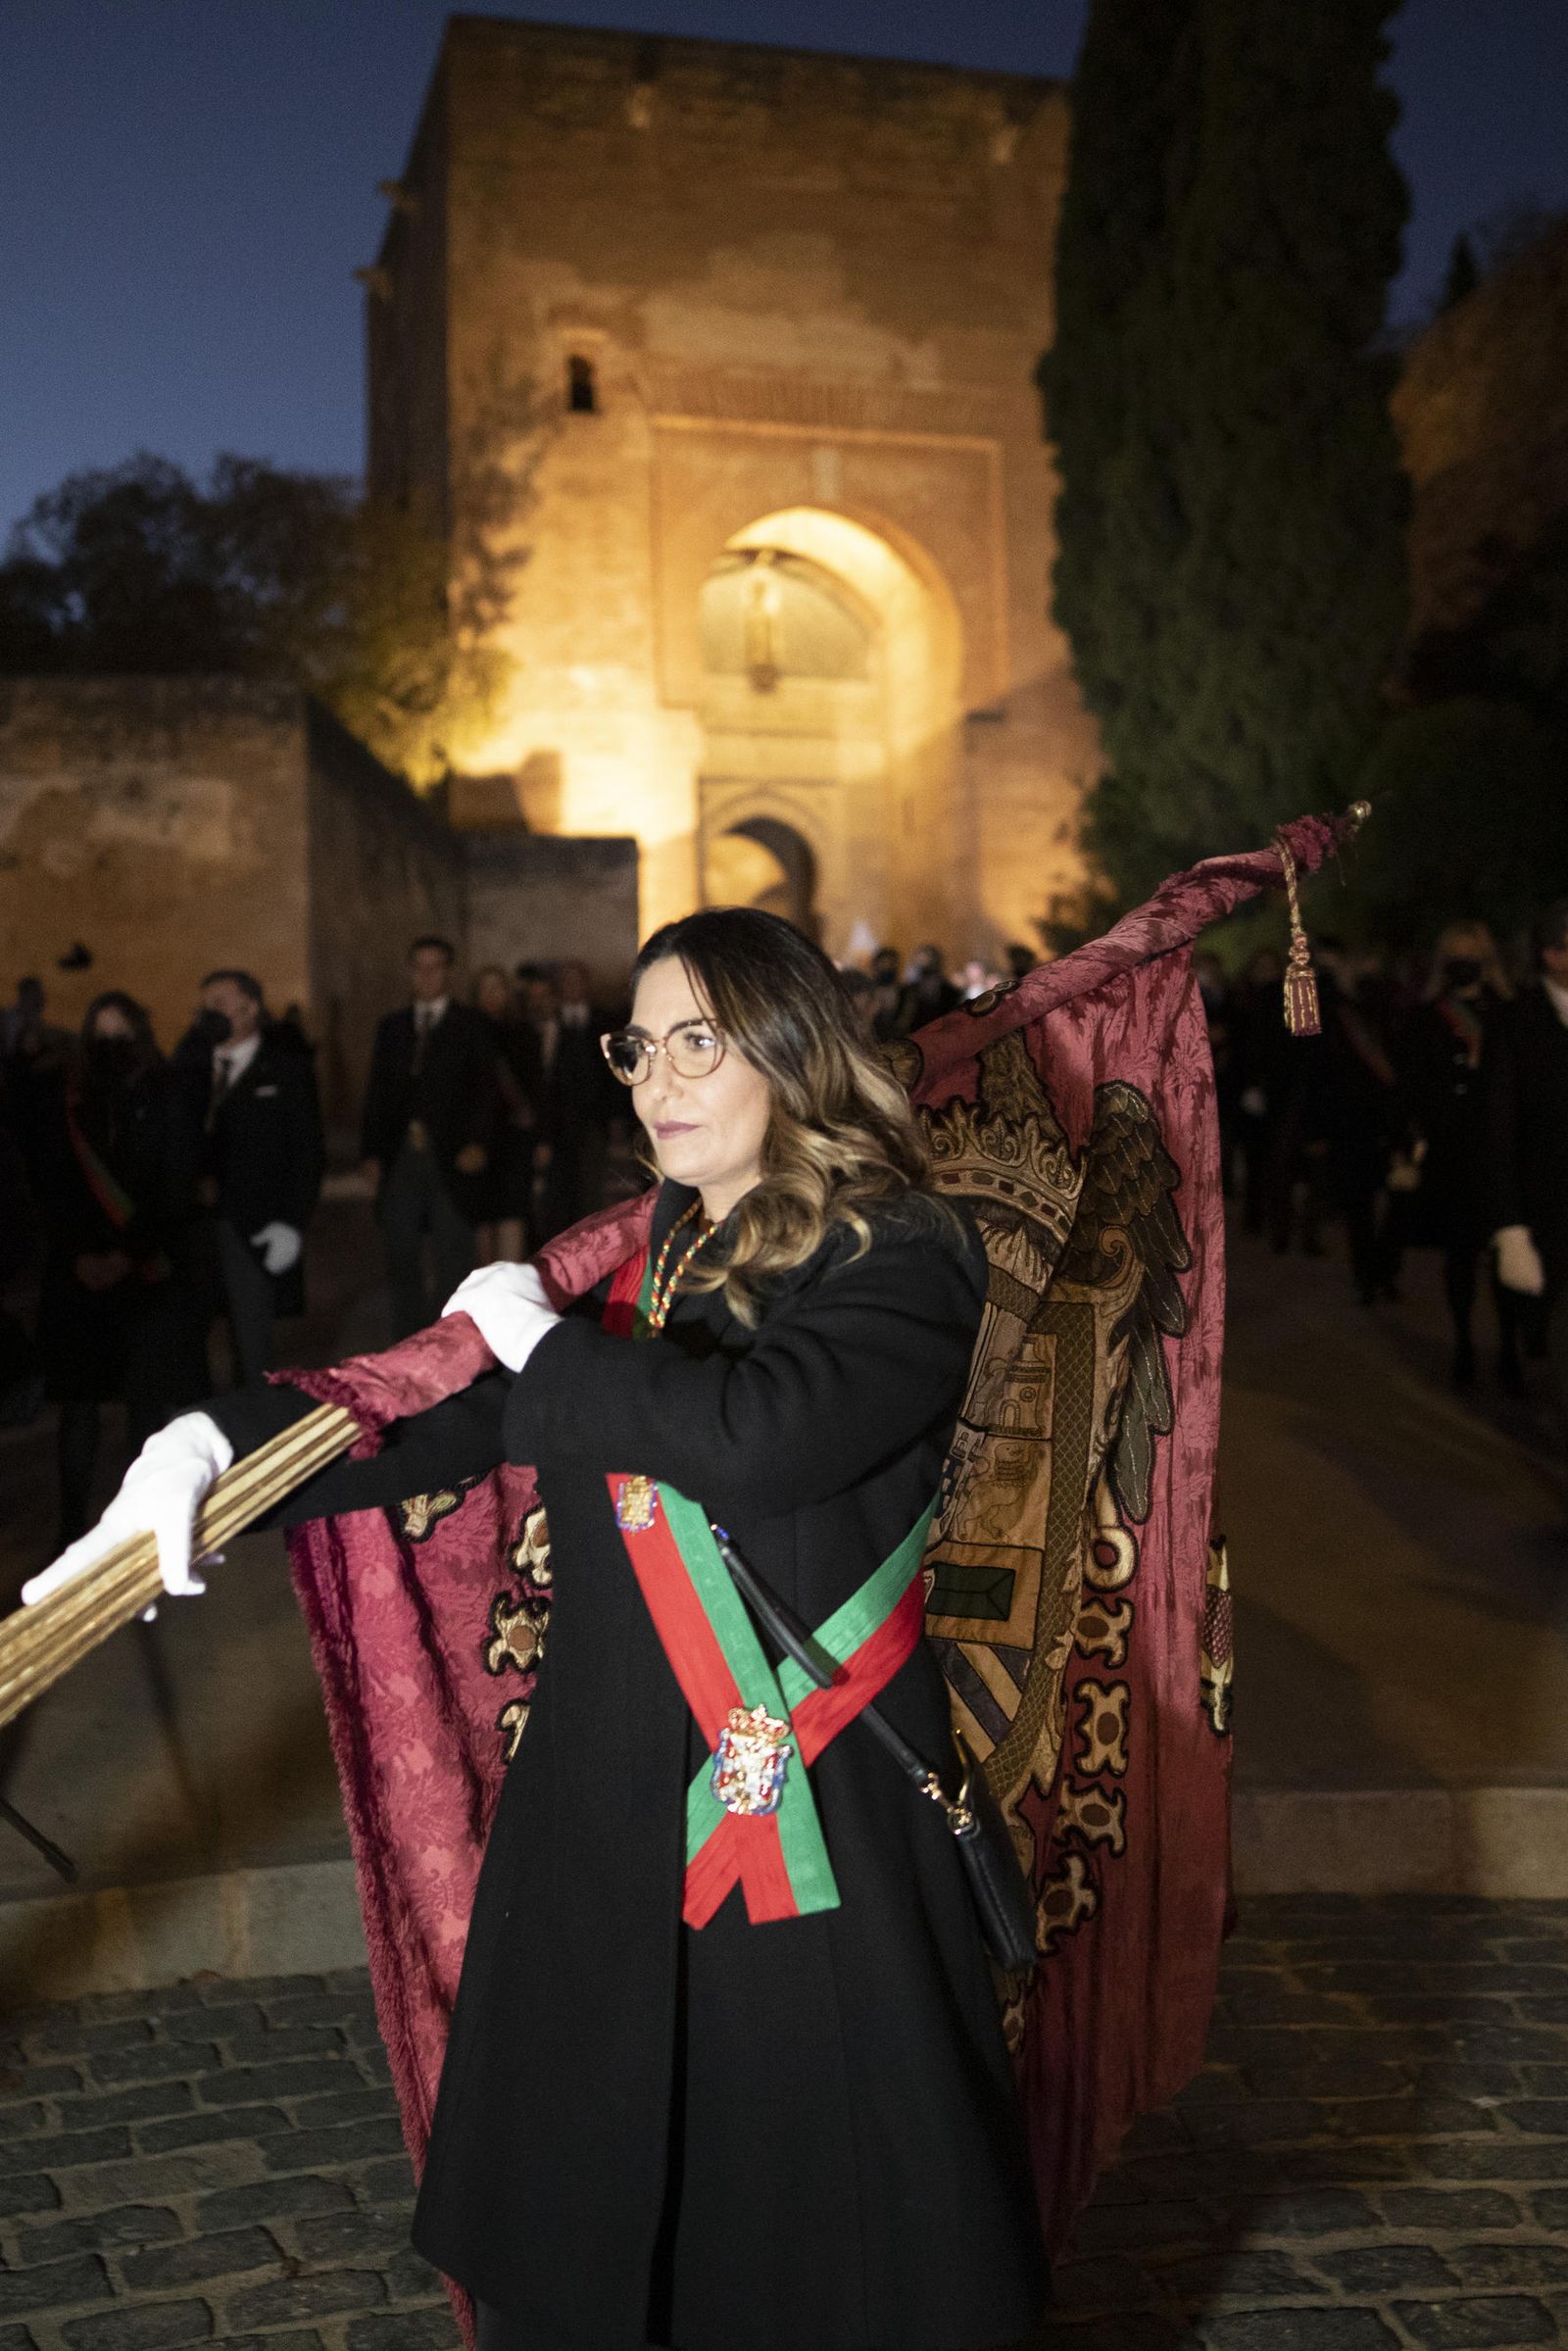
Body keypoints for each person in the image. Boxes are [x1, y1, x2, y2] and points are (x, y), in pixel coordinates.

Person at [40, 909, 1046, 2351]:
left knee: (819, 2259)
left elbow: (757, 1436)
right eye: (643, 1045)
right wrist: (208, 1450)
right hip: (601, 1820)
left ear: (793, 1045)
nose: (659, 1079)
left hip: (807, 1830)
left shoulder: (910, 1250)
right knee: (587, 2253)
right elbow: (446, 1412)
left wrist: (546, 1342)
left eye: (701, 1039)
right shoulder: (656, 1252)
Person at [33, 992, 204, 1544]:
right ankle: (70, 1523)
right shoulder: (65, 1099)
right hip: (80, 1274)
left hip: (143, 1270)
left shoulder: (164, 1091)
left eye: (120, 1035)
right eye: (100, 1036)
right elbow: (51, 1185)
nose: (110, 1048)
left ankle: (146, 1523)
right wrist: (80, 1255)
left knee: (144, 1405)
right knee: (79, 1406)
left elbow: (173, 1182)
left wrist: (128, 1254)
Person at [173, 970, 324, 1385]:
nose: (212, 1012)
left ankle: (254, 1428)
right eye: (206, 1004)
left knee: (251, 1340)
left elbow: (307, 1153)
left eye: (221, 1002)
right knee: (189, 1342)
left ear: (251, 1006)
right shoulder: (190, 1068)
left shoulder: (285, 1070)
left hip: (254, 1226)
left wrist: (292, 1223)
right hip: (196, 1228)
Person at [1384, 922, 1517, 1386]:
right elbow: (1410, 1088)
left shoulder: (1510, 1014)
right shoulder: (1427, 1018)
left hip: (1501, 1150)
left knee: (1507, 1253)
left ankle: (1510, 1348)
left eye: (1472, 954)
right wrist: (1406, 1145)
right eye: (1456, 955)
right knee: (1459, 1253)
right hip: (1451, 1151)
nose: (1465, 963)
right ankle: (1463, 1342)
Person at [361, 937, 499, 1337]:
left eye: (435, 967)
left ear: (448, 972)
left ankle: (449, 1346)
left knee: (452, 1255)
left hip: (452, 1157)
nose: (426, 975)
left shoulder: (471, 1024)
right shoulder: (393, 1027)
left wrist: (479, 1144)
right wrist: (371, 1153)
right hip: (401, 1156)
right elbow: (377, 1093)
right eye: (419, 967)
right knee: (401, 1253)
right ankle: (407, 1345)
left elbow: (486, 1091)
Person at [1489, 895, 1568, 1455]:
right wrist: (1510, 1227)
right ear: (1552, 954)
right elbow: (1500, 1129)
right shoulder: (1517, 1022)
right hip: (1551, 1212)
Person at [524, 958, 617, 1239]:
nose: (572, 986)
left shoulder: (605, 1021)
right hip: (554, 1126)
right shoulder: (541, 1027)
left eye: (577, 980)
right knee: (555, 1199)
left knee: (589, 1195)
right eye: (566, 981)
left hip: (591, 1122)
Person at [471, 965, 540, 1264]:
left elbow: (534, 1090)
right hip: (479, 1139)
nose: (493, 995)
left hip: (513, 1139)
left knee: (512, 1212)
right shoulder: (466, 1034)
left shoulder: (522, 1034)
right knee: (481, 1215)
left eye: (498, 988)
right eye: (486, 988)